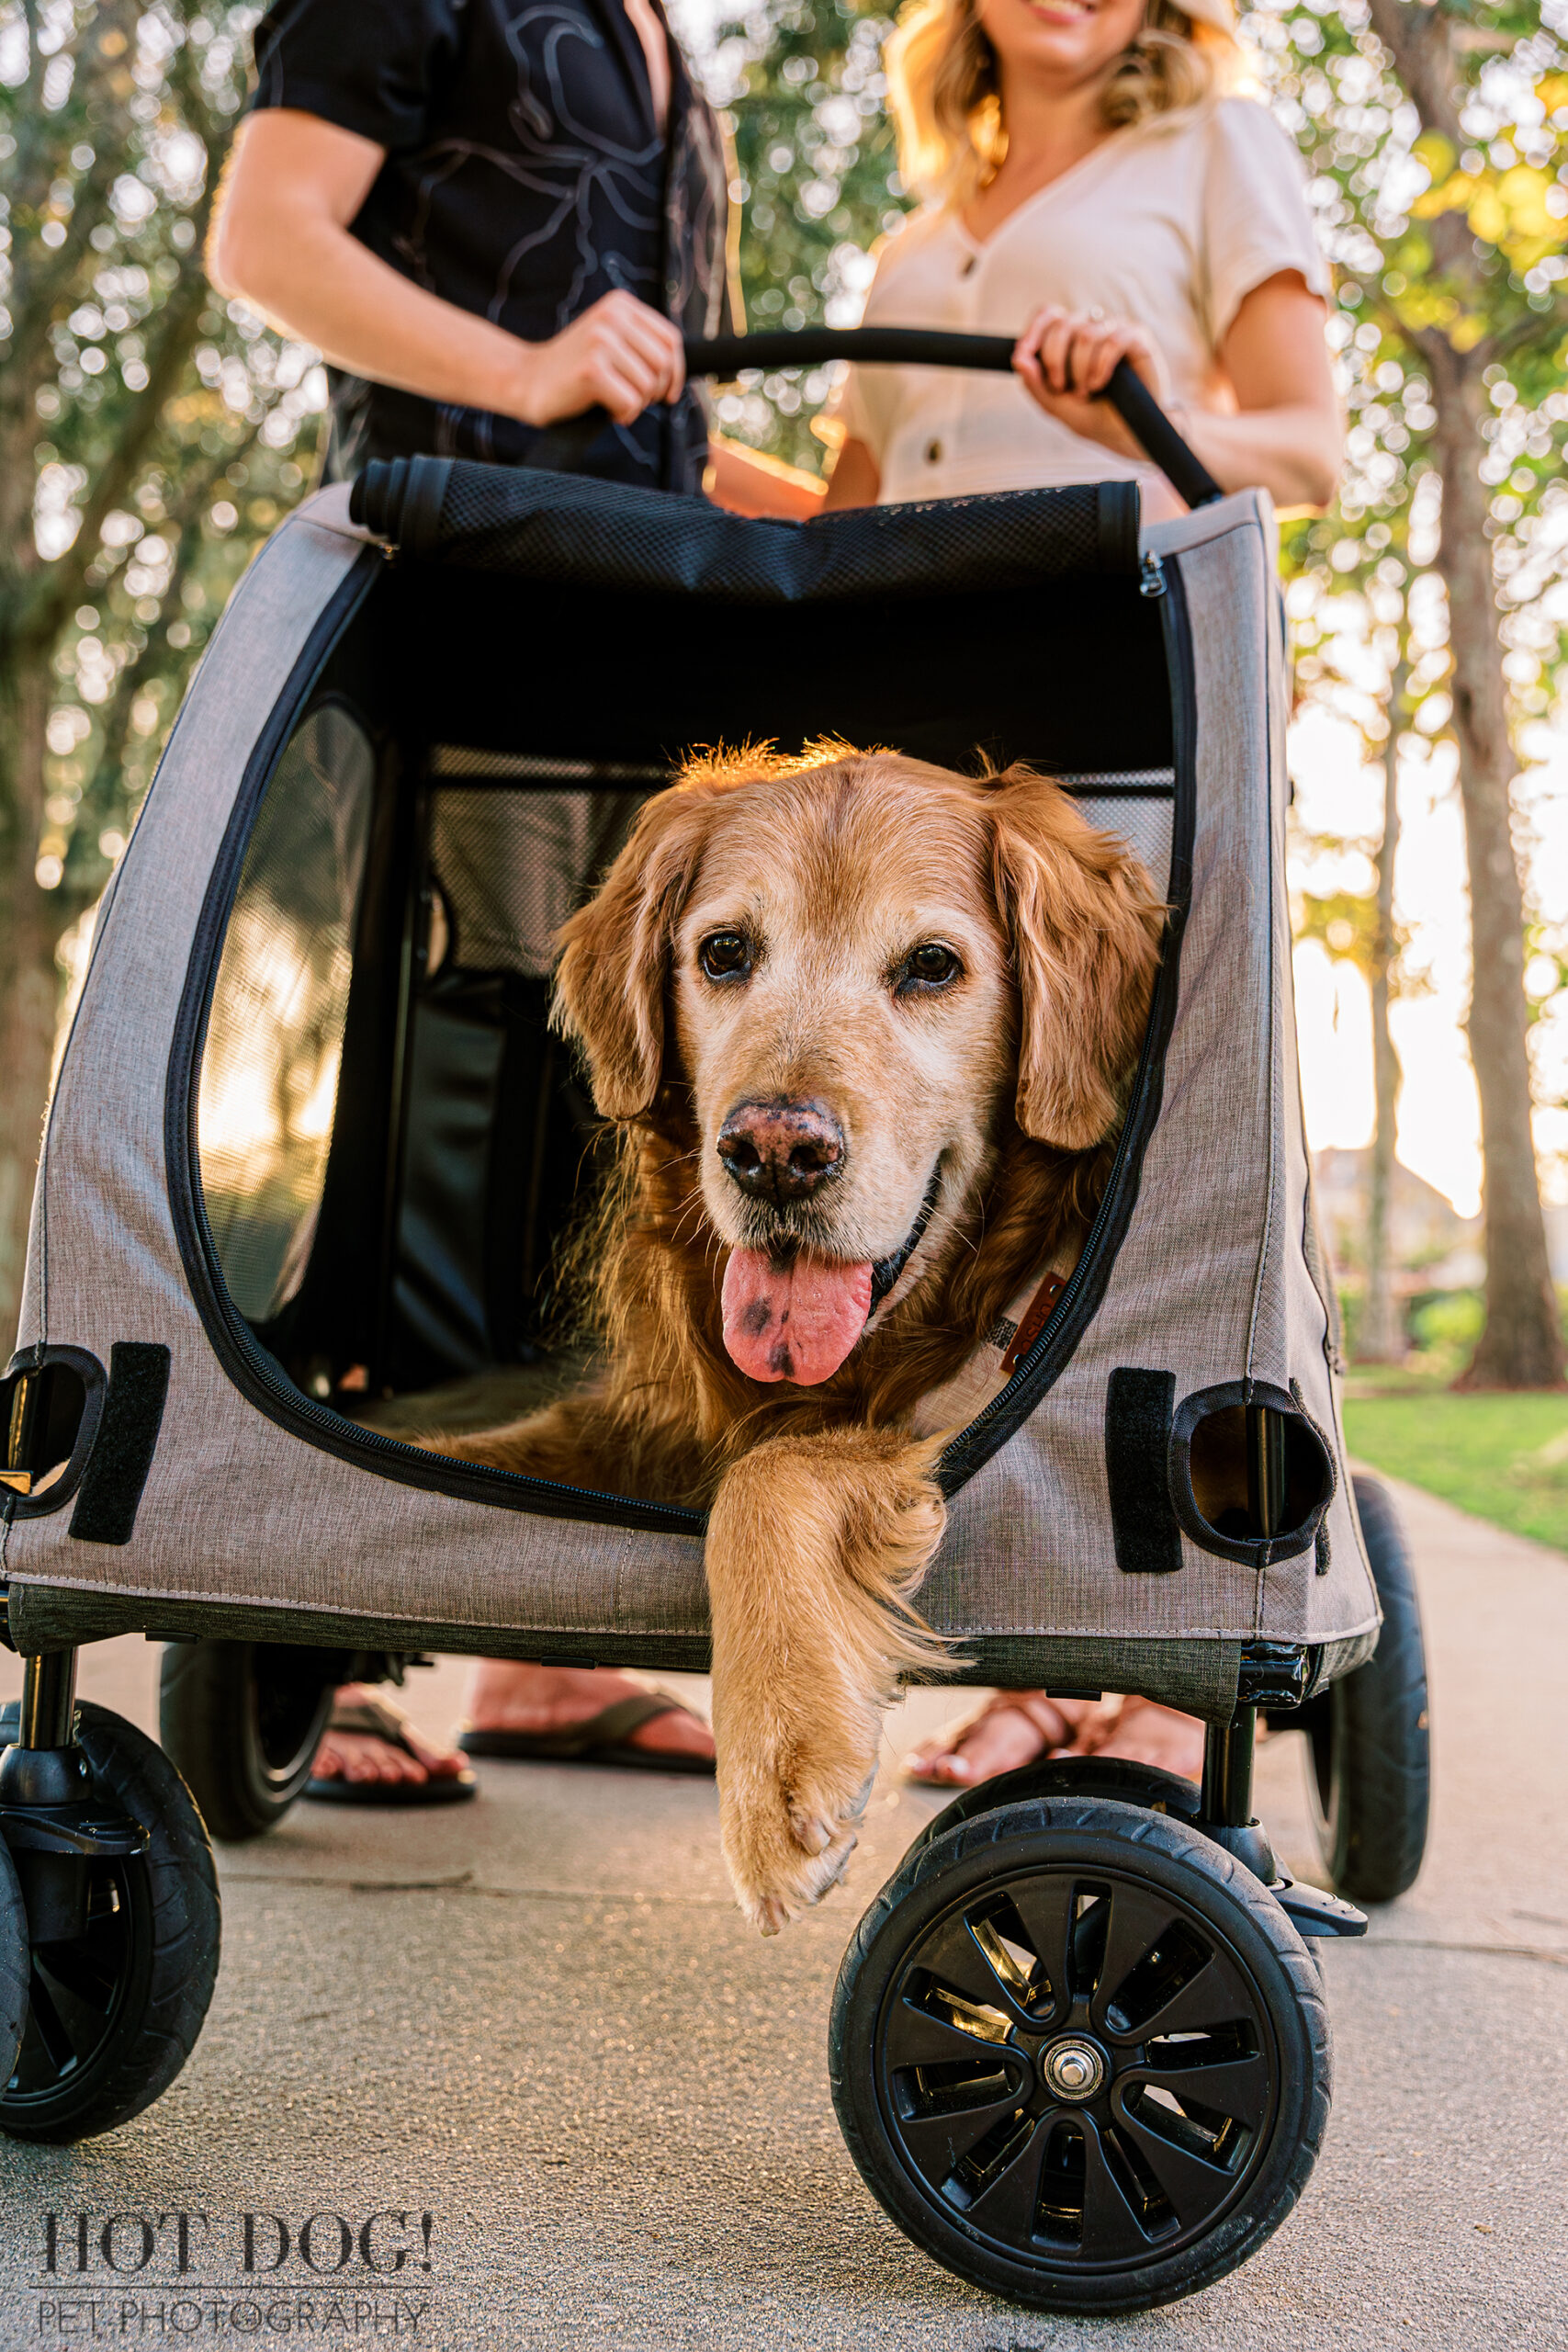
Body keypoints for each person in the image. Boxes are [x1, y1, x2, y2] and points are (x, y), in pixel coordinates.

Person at [212, 0, 821, 1795]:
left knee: (595, 1116)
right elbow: (264, 238)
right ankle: (329, 1619)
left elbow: (653, 420)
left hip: (625, 657)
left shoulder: (664, 57)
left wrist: (847, 513)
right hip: (443, 641)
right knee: (415, 1104)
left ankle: (529, 1650)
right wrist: (524, 367)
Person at [821, 0, 1341, 1785]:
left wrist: (1142, 403)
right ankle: (1029, 1627)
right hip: (922, 797)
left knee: (1139, 1173)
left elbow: (1307, 446)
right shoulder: (913, 229)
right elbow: (842, 521)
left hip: (1135, 743)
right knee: (975, 1215)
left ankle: (1148, 1656)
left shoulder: (1212, 154)